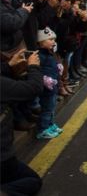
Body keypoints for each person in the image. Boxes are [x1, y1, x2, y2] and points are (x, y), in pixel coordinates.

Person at [1, 50, 43, 196]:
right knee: (32, 181)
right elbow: (33, 88)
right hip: (3, 159)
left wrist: (8, 65)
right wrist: (33, 66)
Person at [35, 27, 63, 139]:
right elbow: (37, 70)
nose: (53, 42)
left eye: (53, 39)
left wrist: (57, 67)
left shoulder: (49, 53)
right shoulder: (39, 55)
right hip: (46, 88)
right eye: (50, 39)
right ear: (41, 42)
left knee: (51, 107)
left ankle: (50, 125)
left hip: (53, 86)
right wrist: (44, 78)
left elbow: (51, 64)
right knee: (46, 108)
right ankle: (43, 129)